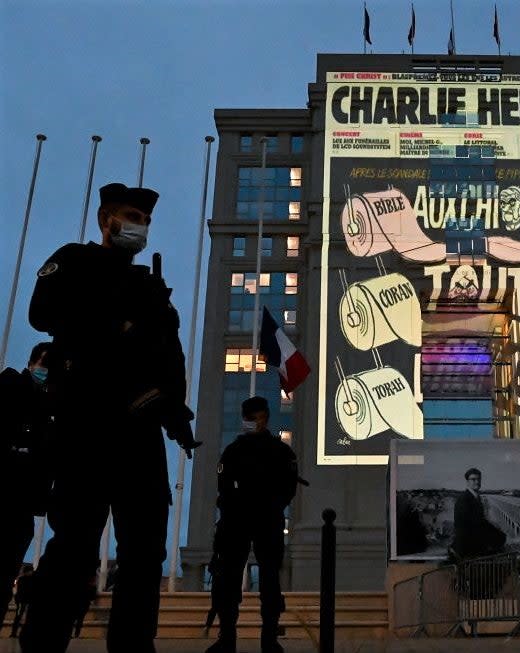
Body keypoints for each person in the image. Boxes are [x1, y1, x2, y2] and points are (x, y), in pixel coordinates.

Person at [20, 182, 201, 653]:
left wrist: (175, 410)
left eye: (145, 219)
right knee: (75, 546)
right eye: (130, 215)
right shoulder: (75, 261)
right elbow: (43, 316)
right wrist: (120, 323)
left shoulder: (149, 286)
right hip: (88, 424)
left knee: (144, 555)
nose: (138, 226)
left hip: (140, 434)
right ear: (106, 220)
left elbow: (170, 356)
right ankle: (43, 644)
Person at [207, 396, 299, 653]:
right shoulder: (234, 451)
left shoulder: (280, 451)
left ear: (265, 418)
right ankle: (227, 638)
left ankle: (269, 639)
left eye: (256, 418)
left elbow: (288, 487)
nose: (252, 423)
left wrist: (270, 504)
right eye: (248, 419)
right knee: (228, 580)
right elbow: (223, 488)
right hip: (236, 520)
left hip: (266, 519)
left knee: (270, 580)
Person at [0, 342, 54, 610]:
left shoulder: (50, 405)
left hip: (24, 500)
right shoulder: (10, 385)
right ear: (32, 363)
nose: (46, 373)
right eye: (45, 365)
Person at [450, 467, 506, 560]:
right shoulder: (464, 499)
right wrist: (497, 537)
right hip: (467, 549)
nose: (477, 482)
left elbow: (480, 522)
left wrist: (498, 534)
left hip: (472, 544)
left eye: (479, 479)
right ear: (467, 481)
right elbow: (472, 526)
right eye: (473, 479)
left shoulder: (475, 497)